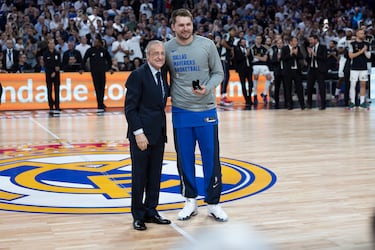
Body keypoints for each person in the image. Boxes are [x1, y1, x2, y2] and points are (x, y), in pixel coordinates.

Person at [165, 8, 228, 222]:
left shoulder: (207, 45)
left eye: (188, 24)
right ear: (173, 26)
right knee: (185, 159)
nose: (185, 28)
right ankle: (189, 200)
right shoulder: (167, 49)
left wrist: (208, 87)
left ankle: (213, 203)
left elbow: (219, 73)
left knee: (211, 158)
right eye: (181, 25)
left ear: (193, 25)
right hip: (181, 111)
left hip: (206, 111)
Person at [125, 40, 170, 231]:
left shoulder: (162, 74)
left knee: (154, 175)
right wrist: (138, 133)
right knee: (140, 176)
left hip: (159, 134)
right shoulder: (137, 75)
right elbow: (130, 109)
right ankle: (138, 215)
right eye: (155, 54)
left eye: (162, 53)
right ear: (147, 56)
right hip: (142, 136)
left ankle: (151, 210)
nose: (160, 57)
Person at [81, 35, 113, 112]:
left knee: (102, 88)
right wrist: (84, 69)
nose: (94, 43)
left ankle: (101, 103)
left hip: (102, 72)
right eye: (94, 42)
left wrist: (108, 68)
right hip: (94, 72)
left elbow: (109, 60)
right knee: (97, 88)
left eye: (96, 42)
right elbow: (84, 60)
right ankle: (100, 104)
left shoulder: (103, 50)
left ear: (99, 42)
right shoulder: (90, 50)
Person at [348, 29, 371, 109]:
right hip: (354, 67)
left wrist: (364, 51)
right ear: (357, 34)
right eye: (360, 33)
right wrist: (361, 52)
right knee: (353, 84)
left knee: (363, 84)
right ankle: (352, 102)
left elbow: (369, 56)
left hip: (364, 67)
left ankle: (362, 102)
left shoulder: (367, 44)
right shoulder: (352, 44)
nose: (362, 35)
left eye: (363, 33)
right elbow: (351, 56)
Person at [280, 36, 305, 110]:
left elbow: (301, 57)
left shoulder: (298, 48)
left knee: (299, 88)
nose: (296, 43)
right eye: (294, 41)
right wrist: (290, 54)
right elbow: (283, 58)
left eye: (296, 41)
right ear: (290, 42)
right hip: (288, 72)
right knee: (288, 89)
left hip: (297, 71)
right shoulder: (285, 48)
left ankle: (302, 104)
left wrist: (297, 54)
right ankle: (290, 105)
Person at [306, 34, 328, 110]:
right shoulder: (310, 48)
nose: (310, 41)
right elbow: (308, 61)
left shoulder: (323, 47)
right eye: (309, 40)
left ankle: (323, 105)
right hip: (312, 69)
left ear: (316, 39)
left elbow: (324, 58)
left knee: (322, 87)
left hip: (320, 70)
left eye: (311, 40)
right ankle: (309, 104)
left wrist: (315, 55)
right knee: (309, 87)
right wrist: (309, 55)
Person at [234, 37, 253, 109]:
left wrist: (249, 54)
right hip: (242, 69)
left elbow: (251, 58)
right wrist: (245, 55)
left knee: (251, 84)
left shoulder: (248, 49)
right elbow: (238, 59)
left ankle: (250, 98)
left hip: (249, 69)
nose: (244, 43)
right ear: (240, 43)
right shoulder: (237, 49)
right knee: (243, 84)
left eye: (245, 42)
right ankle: (247, 100)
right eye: (243, 42)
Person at [43, 39, 61, 114]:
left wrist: (56, 70)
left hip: (56, 74)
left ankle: (57, 106)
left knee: (57, 90)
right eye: (50, 43)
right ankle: (51, 105)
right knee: (49, 90)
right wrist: (53, 70)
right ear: (48, 44)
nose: (52, 45)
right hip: (49, 73)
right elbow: (46, 64)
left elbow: (59, 63)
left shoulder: (57, 53)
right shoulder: (45, 54)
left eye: (53, 43)